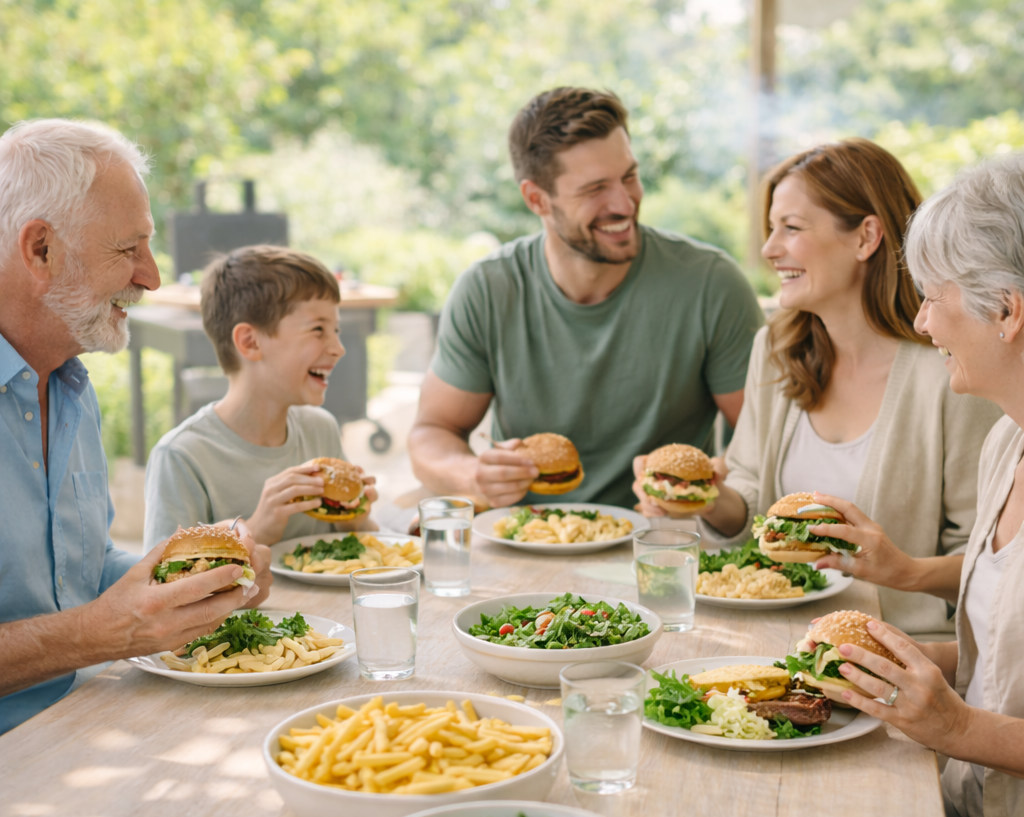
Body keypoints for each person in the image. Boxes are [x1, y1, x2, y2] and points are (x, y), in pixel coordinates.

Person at [635, 139, 1000, 639]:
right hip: (770, 634)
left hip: (898, 651)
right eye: (770, 228)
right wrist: (707, 499)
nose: (769, 249)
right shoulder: (775, 349)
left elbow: (989, 564)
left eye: (791, 227)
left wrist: (901, 570)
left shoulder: (950, 371)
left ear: (865, 236)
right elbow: (749, 496)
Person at [0, 118, 269, 735]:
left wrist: (203, 575)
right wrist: (92, 635)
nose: (150, 275)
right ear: (40, 249)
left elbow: (81, 573)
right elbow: (89, 625)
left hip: (91, 720)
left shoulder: (68, 383)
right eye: (128, 249)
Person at [834, 151, 1024, 817]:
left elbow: (984, 709)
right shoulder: (1006, 444)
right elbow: (998, 644)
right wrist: (886, 655)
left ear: (1008, 310)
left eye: (934, 294)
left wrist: (953, 724)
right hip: (967, 814)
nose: (920, 317)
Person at [408, 86, 763, 510]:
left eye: (629, 176)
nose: (624, 202)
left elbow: (766, 440)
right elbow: (431, 432)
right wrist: (471, 475)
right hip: (528, 538)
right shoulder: (487, 289)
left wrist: (707, 486)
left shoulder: (711, 284)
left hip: (662, 547)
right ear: (537, 199)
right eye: (595, 189)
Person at [143, 245, 378, 549]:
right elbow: (161, 583)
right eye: (319, 329)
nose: (338, 348)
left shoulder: (320, 429)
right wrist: (255, 531)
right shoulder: (182, 457)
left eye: (336, 330)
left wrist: (357, 520)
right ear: (251, 342)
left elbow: (361, 549)